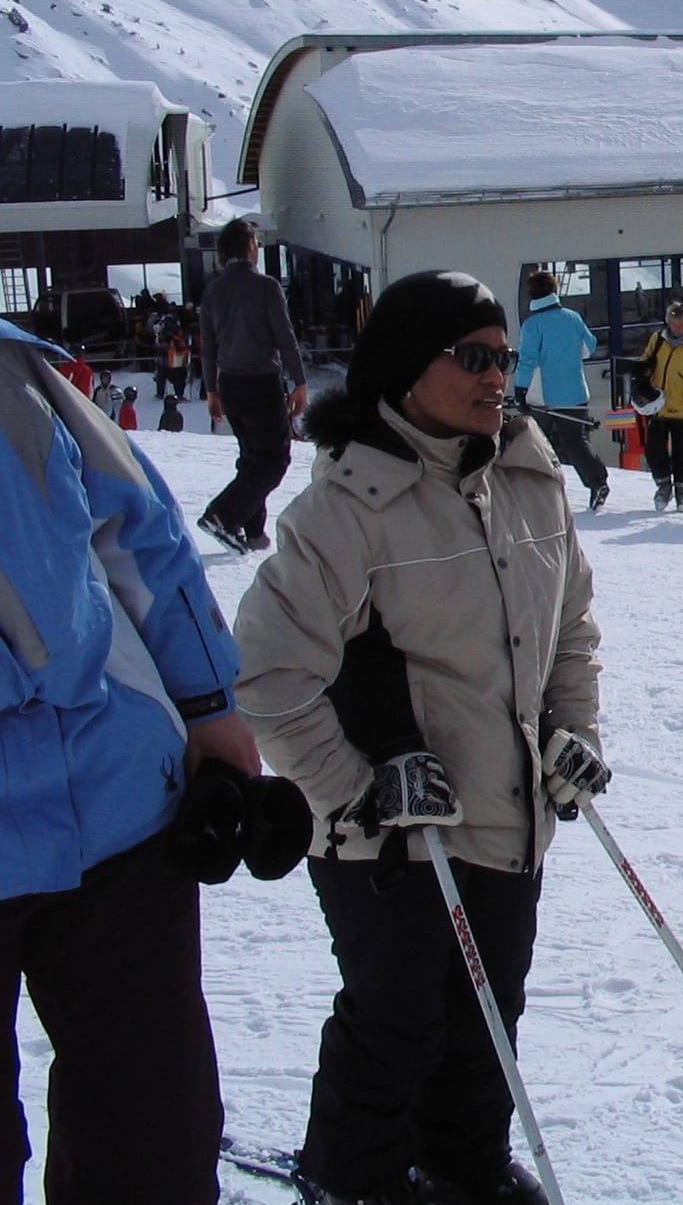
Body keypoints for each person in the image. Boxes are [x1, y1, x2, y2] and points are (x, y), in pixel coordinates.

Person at [233, 270, 606, 1205]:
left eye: (504, 358)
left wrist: (573, 730)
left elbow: (569, 627)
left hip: (507, 808)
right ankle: (353, 1178)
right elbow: (268, 675)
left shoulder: (528, 473)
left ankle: (462, 1164)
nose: (496, 377)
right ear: (407, 366)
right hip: (390, 835)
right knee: (397, 1017)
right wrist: (356, 789)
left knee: (490, 1009)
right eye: (472, 357)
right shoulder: (347, 506)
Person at [0, 317, 268, 1205]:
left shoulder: (15, 373)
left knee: (153, 1136)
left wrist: (208, 704)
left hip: (114, 802)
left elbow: (139, 531)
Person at [197, 217, 309, 553]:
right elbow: (284, 338)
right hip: (261, 382)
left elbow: (208, 346)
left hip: (229, 384)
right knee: (273, 460)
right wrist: (299, 381)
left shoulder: (213, 290)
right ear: (249, 246)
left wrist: (211, 390)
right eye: (256, 243)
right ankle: (222, 515)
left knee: (251, 458)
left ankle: (254, 531)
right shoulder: (265, 287)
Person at [513, 270, 610, 514]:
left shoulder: (532, 325)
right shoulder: (573, 317)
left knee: (539, 442)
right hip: (575, 393)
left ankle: (543, 490)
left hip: (542, 396)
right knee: (576, 440)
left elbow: (527, 361)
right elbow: (590, 346)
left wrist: (520, 390)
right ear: (554, 291)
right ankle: (598, 482)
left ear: (531, 295)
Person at [634, 301, 683, 514]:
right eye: (674, 323)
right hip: (658, 407)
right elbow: (645, 363)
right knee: (654, 450)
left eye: (681, 324)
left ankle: (682, 490)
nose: (677, 328)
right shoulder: (658, 339)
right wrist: (643, 377)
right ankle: (663, 485)